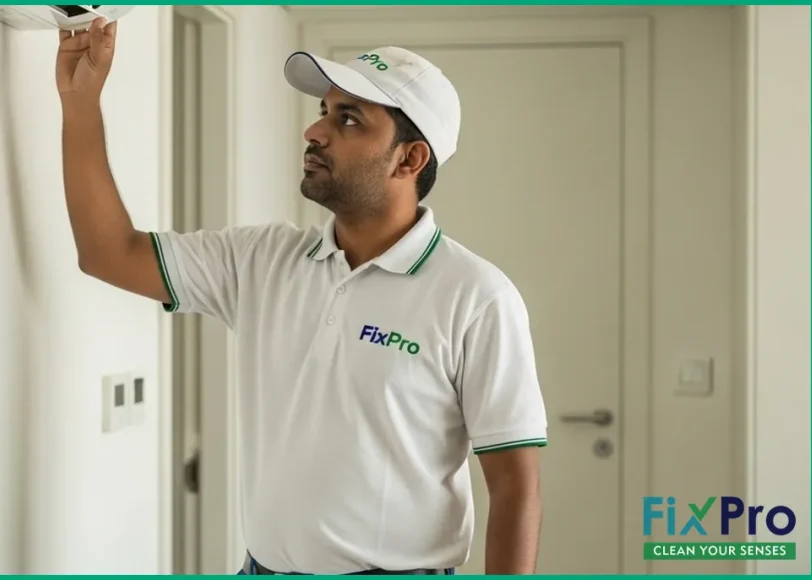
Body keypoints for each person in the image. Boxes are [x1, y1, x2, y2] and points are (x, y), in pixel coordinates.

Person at [57, 17, 548, 576]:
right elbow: (108, 253)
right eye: (323, 114)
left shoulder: (477, 296)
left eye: (348, 120)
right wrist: (80, 103)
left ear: (408, 159)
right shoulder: (262, 260)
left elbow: (514, 485)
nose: (315, 133)